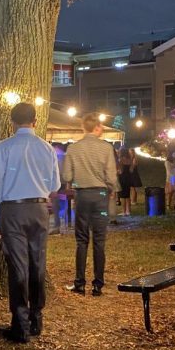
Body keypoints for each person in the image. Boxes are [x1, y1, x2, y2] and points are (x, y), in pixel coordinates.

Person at [0, 102, 60, 344]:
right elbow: (55, 186)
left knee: (18, 267)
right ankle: (36, 317)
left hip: (13, 210)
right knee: (37, 262)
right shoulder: (47, 148)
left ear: (12, 122)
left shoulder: (3, 147)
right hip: (39, 208)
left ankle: (20, 324)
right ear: (35, 121)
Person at [62, 113, 118, 297]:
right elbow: (111, 176)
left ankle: (79, 282)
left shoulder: (73, 148)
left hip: (82, 195)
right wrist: (111, 189)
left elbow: (67, 177)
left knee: (81, 239)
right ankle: (98, 284)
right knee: (99, 240)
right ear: (97, 127)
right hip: (101, 195)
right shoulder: (106, 148)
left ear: (83, 128)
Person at [117, 148, 133, 216]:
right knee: (127, 195)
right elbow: (131, 170)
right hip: (129, 178)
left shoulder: (121, 160)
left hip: (122, 178)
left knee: (123, 196)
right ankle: (128, 211)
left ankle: (123, 212)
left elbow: (120, 171)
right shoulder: (130, 160)